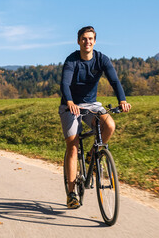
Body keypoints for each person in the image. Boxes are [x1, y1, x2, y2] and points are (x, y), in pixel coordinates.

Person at [59, 26, 131, 209]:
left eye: (90, 38)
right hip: (70, 105)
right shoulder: (72, 60)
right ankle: (71, 193)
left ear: (95, 41)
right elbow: (65, 84)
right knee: (73, 145)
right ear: (78, 41)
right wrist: (69, 102)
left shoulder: (102, 59)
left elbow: (114, 81)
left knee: (110, 126)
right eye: (84, 39)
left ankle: (93, 154)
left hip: (92, 104)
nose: (87, 42)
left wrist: (122, 100)